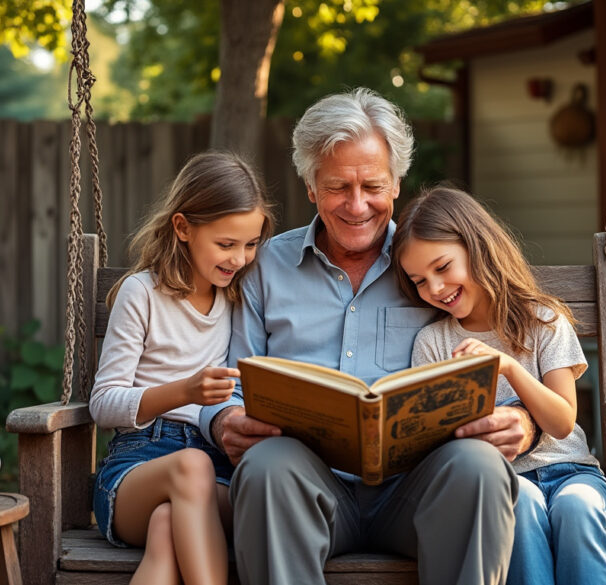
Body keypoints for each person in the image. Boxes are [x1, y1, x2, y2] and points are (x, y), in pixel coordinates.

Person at [200, 88, 533, 585]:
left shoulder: (432, 266)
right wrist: (225, 418)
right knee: (267, 465)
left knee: (479, 467)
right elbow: (230, 381)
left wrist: (523, 424)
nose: (357, 206)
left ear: (397, 183)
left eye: (372, 186)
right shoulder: (265, 265)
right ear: (310, 187)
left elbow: (512, 349)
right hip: (307, 489)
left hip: (420, 490)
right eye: (337, 187)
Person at [393, 186, 606, 585]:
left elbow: (564, 422)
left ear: (477, 247)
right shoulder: (434, 343)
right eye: (419, 281)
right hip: (502, 483)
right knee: (521, 506)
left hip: (571, 473)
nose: (435, 288)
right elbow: (434, 441)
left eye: (443, 267)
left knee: (578, 508)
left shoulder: (544, 322)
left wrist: (509, 368)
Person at [89, 151, 274, 585]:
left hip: (214, 470)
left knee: (167, 525)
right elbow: (103, 404)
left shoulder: (239, 297)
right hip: (137, 467)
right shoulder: (142, 294)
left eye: (250, 245)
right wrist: (184, 392)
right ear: (183, 227)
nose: (239, 259)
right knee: (190, 467)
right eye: (226, 244)